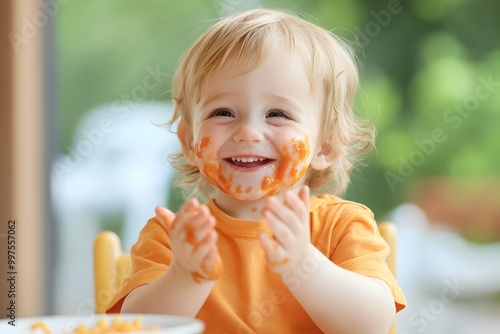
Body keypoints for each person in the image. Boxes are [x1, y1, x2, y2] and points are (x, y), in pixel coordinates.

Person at [106, 8, 406, 333]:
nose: (248, 132)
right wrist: (185, 276)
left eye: (277, 113)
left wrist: (304, 265)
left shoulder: (343, 226)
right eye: (223, 112)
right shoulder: (174, 237)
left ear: (326, 147)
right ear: (190, 142)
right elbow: (135, 327)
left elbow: (372, 325)